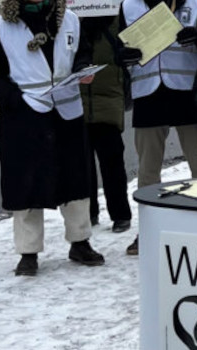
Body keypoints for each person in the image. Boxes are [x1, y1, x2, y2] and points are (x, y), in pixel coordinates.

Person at [0, 0, 104, 275]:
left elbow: (82, 52)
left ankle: (80, 241)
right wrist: (12, 99)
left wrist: (82, 71)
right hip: (24, 113)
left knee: (75, 177)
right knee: (25, 181)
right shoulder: (2, 26)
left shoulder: (70, 19)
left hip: (66, 109)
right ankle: (28, 252)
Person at [118, 0, 197, 256]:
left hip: (186, 91)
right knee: (148, 171)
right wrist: (123, 57)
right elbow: (121, 48)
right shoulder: (129, 5)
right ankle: (148, 230)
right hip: (148, 94)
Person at [79, 15, 132, 233]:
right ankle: (88, 213)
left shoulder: (117, 22)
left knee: (112, 163)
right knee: (82, 164)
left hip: (108, 99)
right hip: (76, 103)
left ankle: (120, 215)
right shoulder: (68, 22)